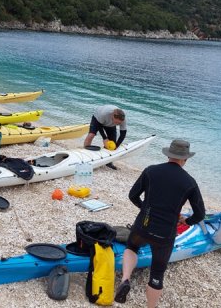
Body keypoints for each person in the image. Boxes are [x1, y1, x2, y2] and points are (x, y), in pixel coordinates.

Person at [114, 139, 206, 308]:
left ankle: (126, 279)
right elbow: (200, 214)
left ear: (168, 155)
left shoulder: (151, 171)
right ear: (185, 159)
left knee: (132, 246)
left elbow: (132, 195)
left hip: (143, 225)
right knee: (157, 272)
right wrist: (187, 221)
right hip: (164, 234)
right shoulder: (189, 182)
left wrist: (145, 209)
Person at [83, 105, 127, 170]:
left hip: (110, 125)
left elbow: (123, 134)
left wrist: (116, 146)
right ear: (112, 116)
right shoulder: (104, 114)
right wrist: (104, 138)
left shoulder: (123, 120)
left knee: (112, 143)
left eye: (119, 123)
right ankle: (84, 154)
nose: (117, 124)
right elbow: (99, 126)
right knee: (91, 135)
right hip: (97, 119)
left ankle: (108, 162)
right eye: (116, 122)